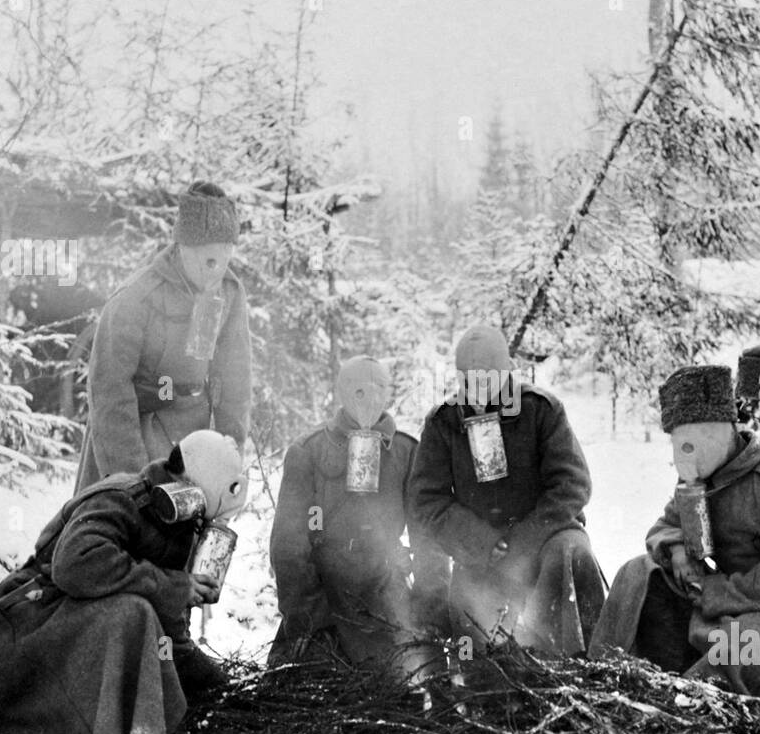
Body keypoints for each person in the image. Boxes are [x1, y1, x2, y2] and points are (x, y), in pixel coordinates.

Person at [0, 430, 246, 734]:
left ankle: (121, 731)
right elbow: (74, 564)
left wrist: (227, 691)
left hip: (67, 625)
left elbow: (169, 640)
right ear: (187, 490)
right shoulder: (122, 497)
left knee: (138, 612)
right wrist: (172, 586)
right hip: (24, 622)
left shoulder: (177, 529)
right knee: (133, 612)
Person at [587, 364, 760, 713]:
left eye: (692, 444)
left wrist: (718, 592)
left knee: (740, 643)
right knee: (639, 573)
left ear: (723, 433)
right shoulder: (699, 482)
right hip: (717, 604)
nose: (682, 458)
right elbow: (664, 528)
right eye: (679, 445)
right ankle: (609, 677)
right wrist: (676, 550)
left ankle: (702, 700)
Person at [408, 325, 604, 655]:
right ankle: (496, 686)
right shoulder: (443, 423)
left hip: (546, 539)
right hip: (479, 553)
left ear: (508, 370)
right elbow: (427, 501)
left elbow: (572, 484)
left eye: (490, 375)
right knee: (477, 640)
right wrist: (479, 541)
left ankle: (583, 662)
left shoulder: (540, 410)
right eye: (470, 378)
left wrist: (524, 542)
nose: (481, 386)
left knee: (572, 553)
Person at [268, 357, 451, 682]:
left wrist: (426, 608)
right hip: (324, 585)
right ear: (341, 393)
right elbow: (289, 545)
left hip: (384, 582)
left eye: (379, 388)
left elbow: (428, 539)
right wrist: (309, 617)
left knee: (411, 682)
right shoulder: (308, 452)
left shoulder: (407, 452)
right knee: (311, 685)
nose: (370, 398)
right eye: (359, 391)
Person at [75, 181, 251, 492]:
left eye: (224, 259)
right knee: (126, 530)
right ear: (184, 248)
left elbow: (236, 382)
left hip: (194, 442)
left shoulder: (229, 293)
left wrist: (229, 455)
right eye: (209, 260)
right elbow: (109, 391)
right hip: (135, 431)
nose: (216, 271)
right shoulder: (137, 297)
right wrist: (131, 481)